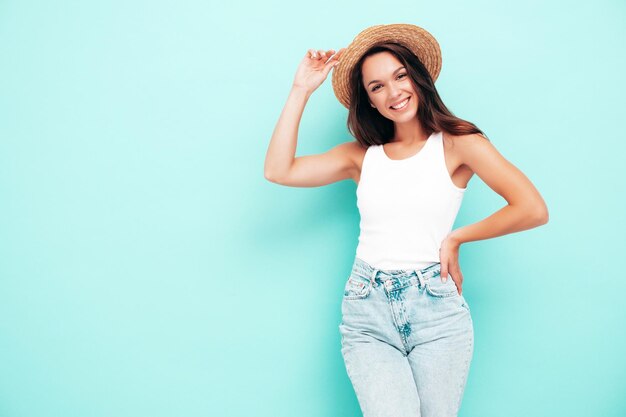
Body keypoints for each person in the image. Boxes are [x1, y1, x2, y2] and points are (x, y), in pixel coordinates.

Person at [264, 23, 548, 417]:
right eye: (377, 86)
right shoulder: (361, 157)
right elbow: (279, 170)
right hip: (367, 309)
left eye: (400, 76)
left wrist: (457, 238)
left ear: (418, 78)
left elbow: (532, 208)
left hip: (437, 311)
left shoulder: (459, 143)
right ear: (371, 102)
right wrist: (300, 90)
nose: (394, 92)